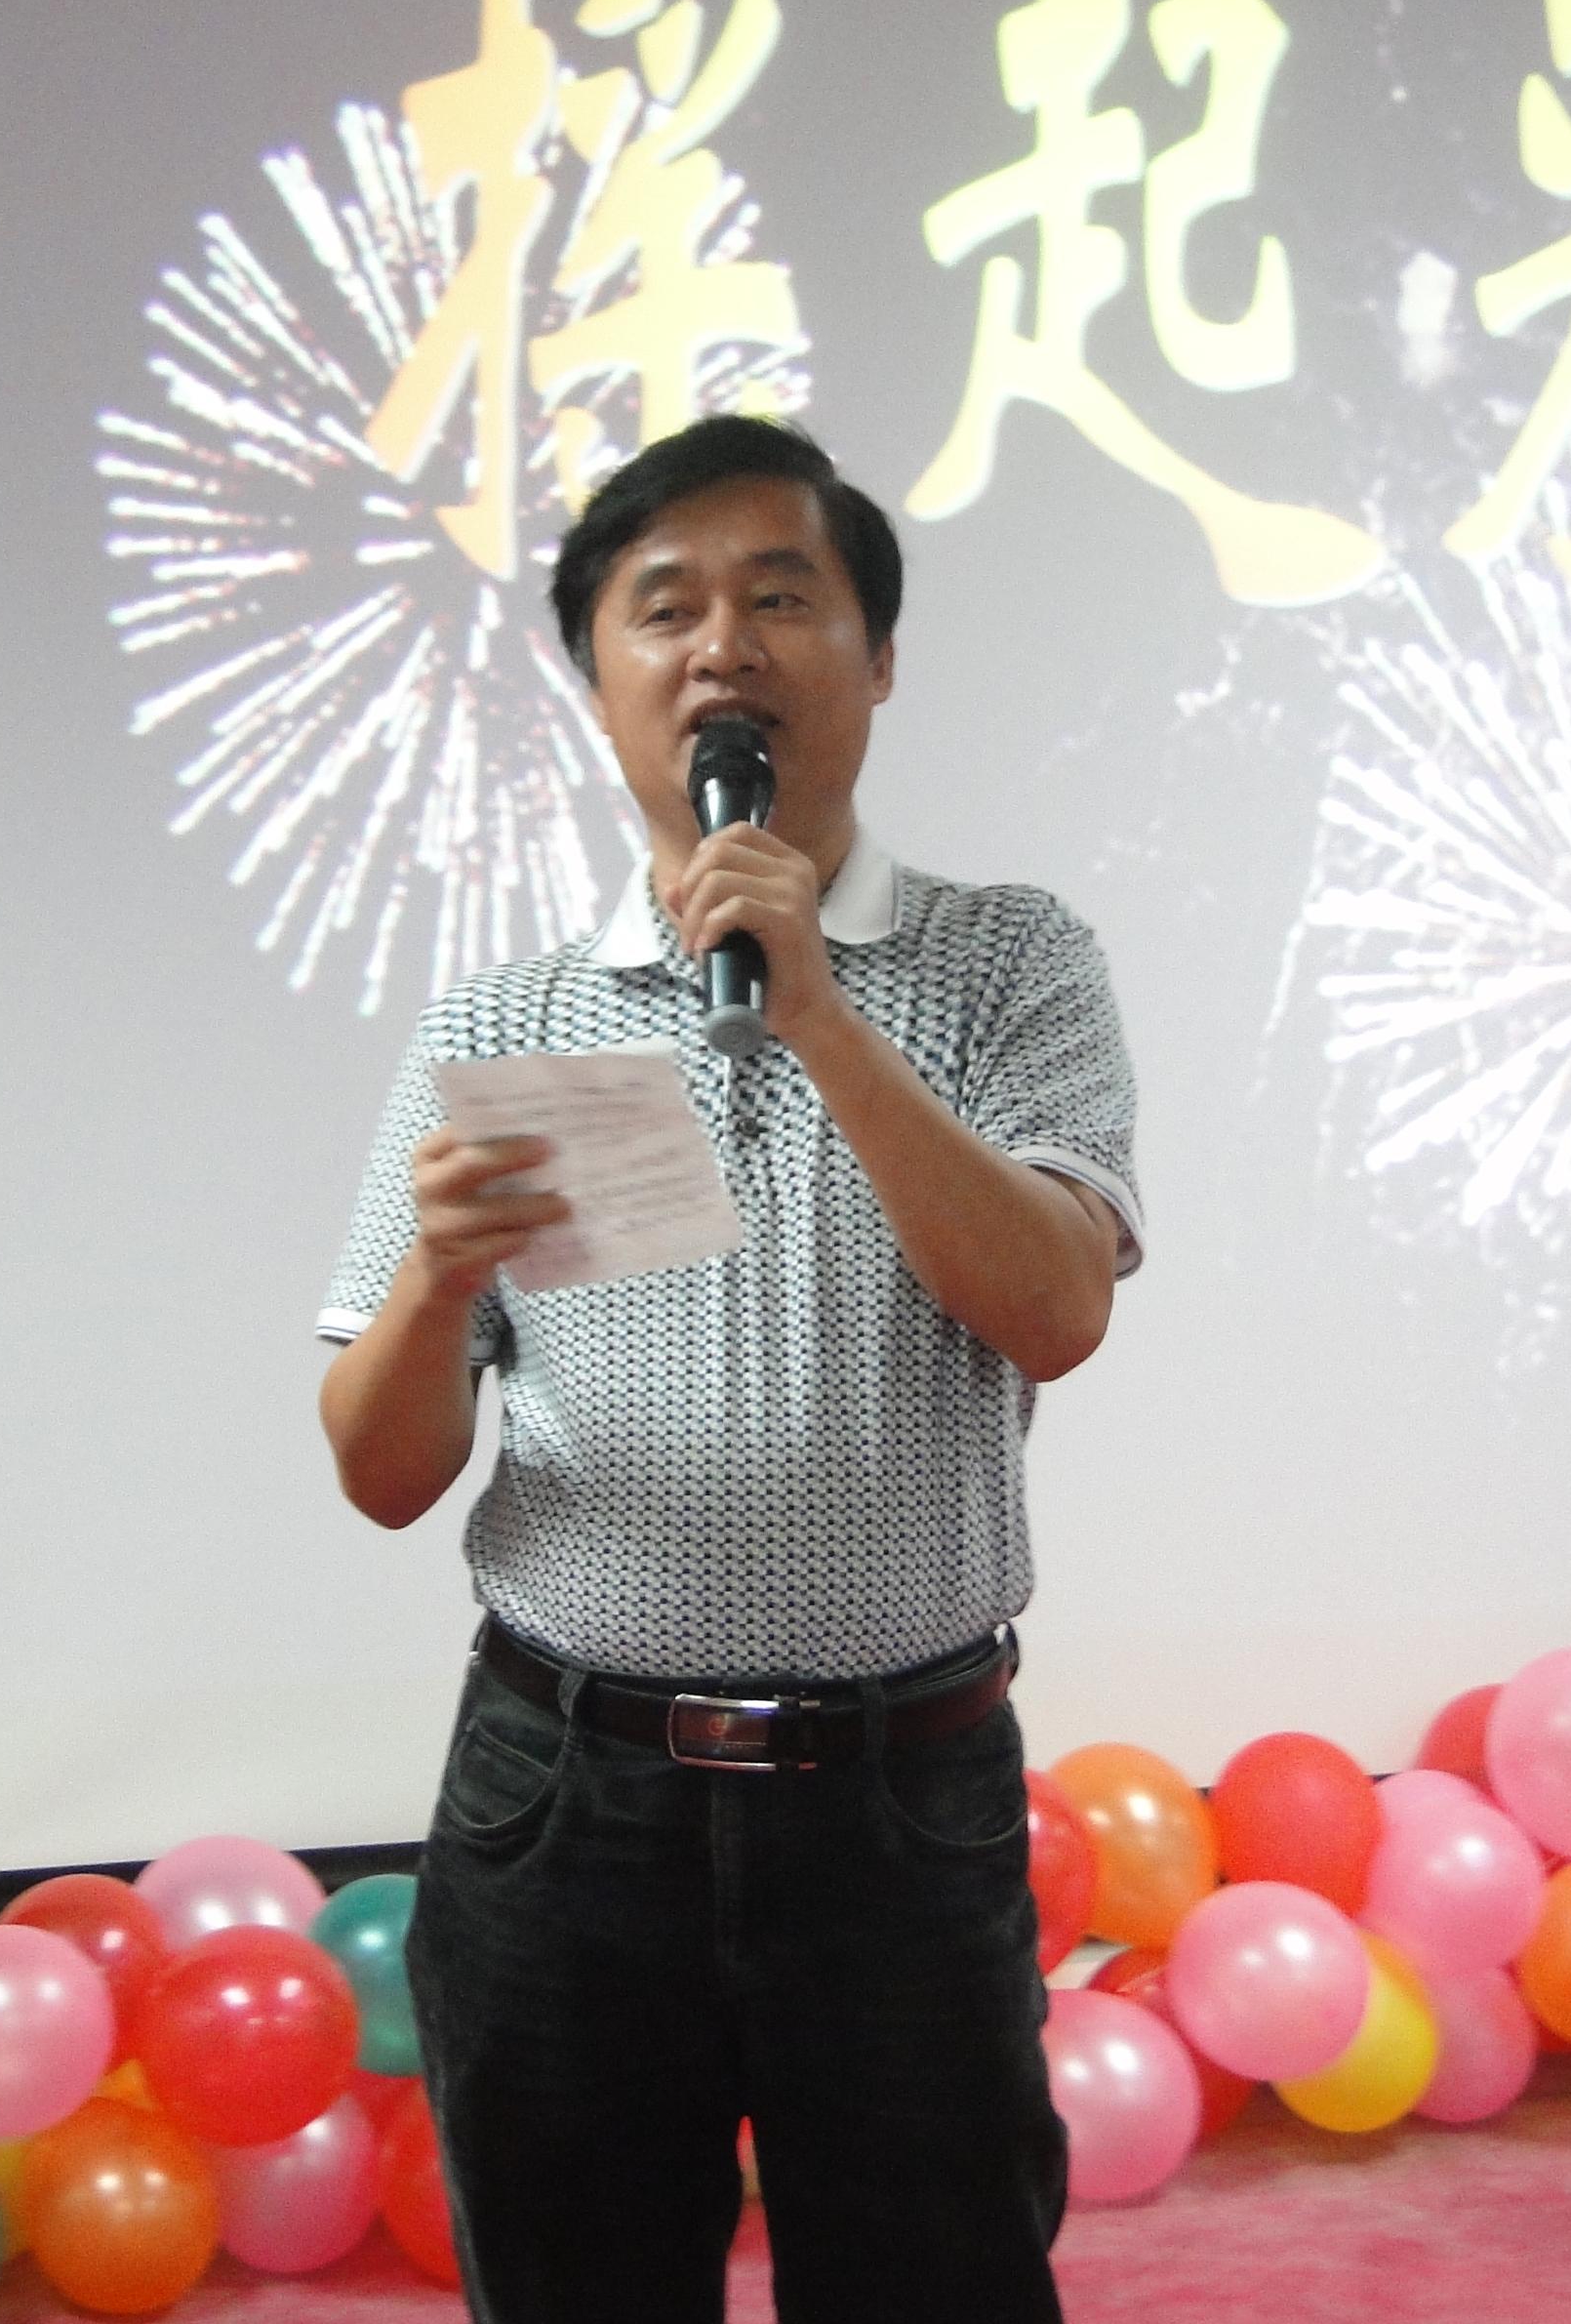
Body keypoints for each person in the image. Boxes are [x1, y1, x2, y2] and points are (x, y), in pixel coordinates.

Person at [315, 414, 1143, 2324]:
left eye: (782, 597)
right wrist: (438, 1282)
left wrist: (822, 1012)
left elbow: (1057, 1310)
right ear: (597, 673)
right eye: (663, 607)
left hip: (897, 1806)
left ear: (878, 654)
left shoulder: (1009, 960)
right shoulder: (511, 1020)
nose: (722, 648)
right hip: (563, 1803)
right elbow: (377, 1467)